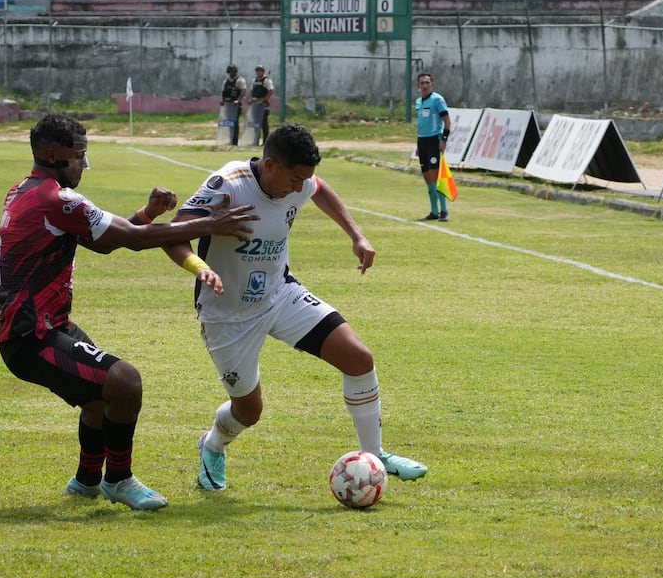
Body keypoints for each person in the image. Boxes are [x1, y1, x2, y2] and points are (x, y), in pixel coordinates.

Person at [0, 114, 256, 511]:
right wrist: (208, 224)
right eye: (79, 155)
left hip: (42, 328)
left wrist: (147, 215)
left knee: (101, 396)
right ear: (52, 154)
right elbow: (130, 241)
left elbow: (105, 241)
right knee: (125, 381)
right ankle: (118, 479)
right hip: (33, 337)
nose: (84, 163)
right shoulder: (57, 199)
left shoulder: (26, 192)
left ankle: (85, 481)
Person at [161, 123, 428, 493]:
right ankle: (213, 445)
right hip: (227, 314)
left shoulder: (300, 183)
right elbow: (173, 232)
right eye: (296, 178)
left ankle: (374, 456)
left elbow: (320, 190)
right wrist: (201, 266)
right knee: (249, 412)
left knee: (358, 358)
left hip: (279, 295)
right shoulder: (228, 184)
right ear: (270, 165)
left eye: (307, 178)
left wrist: (357, 234)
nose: (301, 187)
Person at [415, 72, 452, 222]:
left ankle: (444, 210)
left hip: (433, 140)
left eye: (427, 82)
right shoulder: (418, 102)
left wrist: (443, 140)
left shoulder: (438, 100)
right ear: (418, 86)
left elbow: (447, 121)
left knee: (436, 175)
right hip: (422, 141)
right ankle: (434, 211)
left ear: (432, 84)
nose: (424, 85)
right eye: (422, 83)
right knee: (427, 176)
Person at [220, 65, 247, 145]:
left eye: (232, 72)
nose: (231, 73)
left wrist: (238, 100)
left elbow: (243, 90)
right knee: (228, 123)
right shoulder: (226, 81)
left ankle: (235, 141)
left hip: (235, 106)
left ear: (235, 72)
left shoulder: (240, 80)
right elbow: (223, 91)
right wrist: (222, 100)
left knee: (235, 122)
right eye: (230, 72)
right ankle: (230, 139)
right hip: (227, 105)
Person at [250, 65, 275, 145]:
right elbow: (252, 91)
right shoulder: (254, 80)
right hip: (255, 105)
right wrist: (251, 99)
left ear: (263, 72)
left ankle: (265, 142)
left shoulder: (267, 80)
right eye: (257, 71)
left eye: (260, 71)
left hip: (263, 105)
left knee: (264, 124)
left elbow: (271, 91)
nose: (258, 72)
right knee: (256, 124)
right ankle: (256, 141)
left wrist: (263, 100)